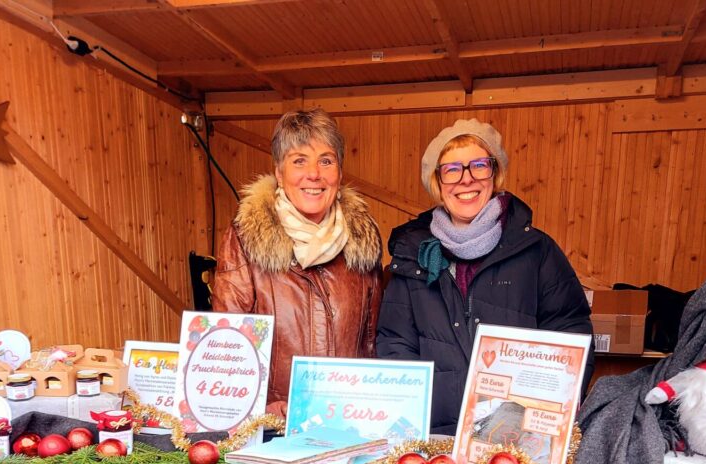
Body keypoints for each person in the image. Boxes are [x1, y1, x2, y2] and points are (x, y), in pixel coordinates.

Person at [376, 118, 593, 434]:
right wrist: (411, 420)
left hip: (515, 438)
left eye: (479, 165)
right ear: (437, 182)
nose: (466, 179)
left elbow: (570, 331)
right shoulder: (413, 255)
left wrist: (548, 411)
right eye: (452, 169)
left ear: (495, 173)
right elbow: (395, 342)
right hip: (432, 436)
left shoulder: (536, 251)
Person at [212, 108, 384, 416]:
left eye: (326, 161)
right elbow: (227, 347)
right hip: (271, 426)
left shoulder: (363, 241)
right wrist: (261, 409)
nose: (314, 174)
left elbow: (372, 344)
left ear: (339, 172)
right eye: (299, 160)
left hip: (347, 421)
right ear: (279, 173)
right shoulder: (244, 239)